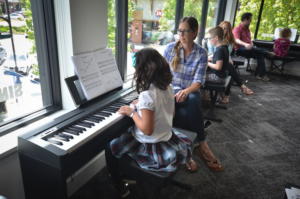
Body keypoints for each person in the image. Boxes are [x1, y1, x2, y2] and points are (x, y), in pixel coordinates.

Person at [105, 48, 195, 198]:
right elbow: (171, 114)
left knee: (110, 146)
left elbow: (147, 130)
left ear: (143, 72)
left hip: (150, 146)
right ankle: (127, 174)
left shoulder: (147, 95)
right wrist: (142, 105)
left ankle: (116, 181)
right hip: (166, 138)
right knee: (124, 135)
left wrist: (132, 112)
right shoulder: (169, 87)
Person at [163, 17, 223, 172]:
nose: (181, 34)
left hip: (191, 92)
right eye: (179, 31)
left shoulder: (201, 53)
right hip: (171, 93)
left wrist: (186, 91)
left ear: (195, 33)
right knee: (186, 110)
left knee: (187, 106)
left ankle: (190, 149)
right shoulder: (169, 49)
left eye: (185, 31)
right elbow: (161, 76)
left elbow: (199, 81)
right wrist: (175, 91)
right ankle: (201, 145)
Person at [207, 21, 253, 104]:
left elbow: (221, 60)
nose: (224, 30)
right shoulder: (217, 43)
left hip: (218, 66)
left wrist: (224, 60)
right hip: (214, 59)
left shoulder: (227, 42)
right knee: (228, 66)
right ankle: (240, 86)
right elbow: (211, 54)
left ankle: (219, 95)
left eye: (226, 28)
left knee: (228, 65)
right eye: (222, 28)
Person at [233, 12, 274, 82]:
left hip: (249, 49)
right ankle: (266, 53)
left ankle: (261, 75)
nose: (251, 21)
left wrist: (252, 44)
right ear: (245, 20)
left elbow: (249, 40)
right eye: (250, 20)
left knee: (260, 54)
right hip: (239, 50)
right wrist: (246, 44)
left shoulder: (247, 29)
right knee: (254, 49)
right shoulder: (237, 29)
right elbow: (237, 40)